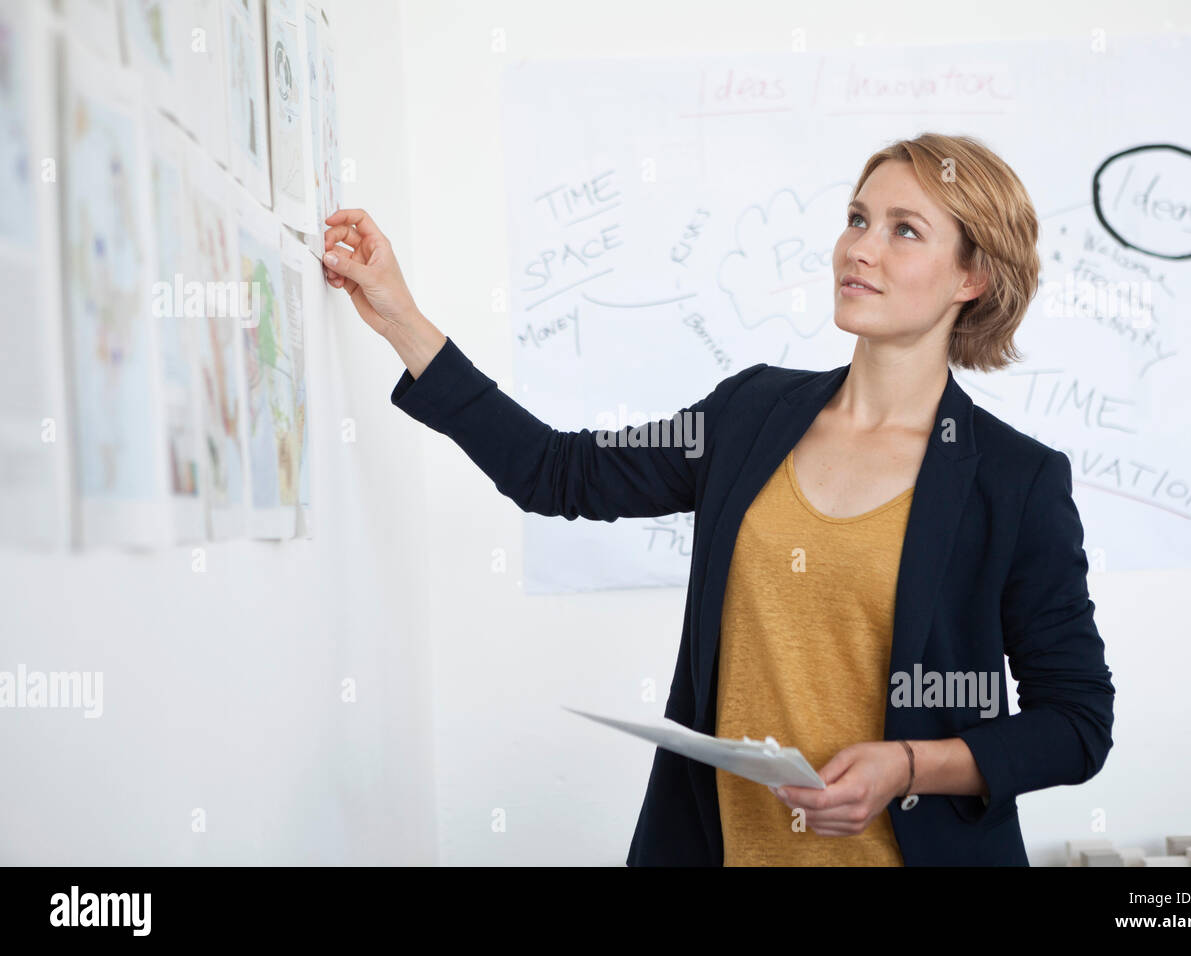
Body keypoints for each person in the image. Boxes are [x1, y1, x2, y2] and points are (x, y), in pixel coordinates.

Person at [320, 132, 1116, 866]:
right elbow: (557, 472)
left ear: (972, 276)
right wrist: (401, 317)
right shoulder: (750, 416)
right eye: (857, 218)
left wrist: (908, 766)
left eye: (905, 229)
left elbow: (1076, 726)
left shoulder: (1015, 481)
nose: (859, 248)